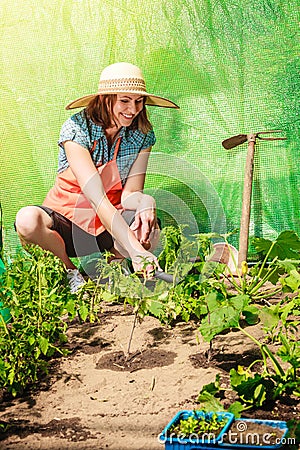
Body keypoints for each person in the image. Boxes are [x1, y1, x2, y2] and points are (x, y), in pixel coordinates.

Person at [15, 62, 179, 293]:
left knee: (149, 229)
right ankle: (71, 272)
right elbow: (96, 198)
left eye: (139, 101)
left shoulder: (142, 134)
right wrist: (136, 251)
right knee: (27, 220)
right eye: (124, 100)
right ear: (105, 99)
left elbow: (130, 193)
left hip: (108, 226)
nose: (133, 110)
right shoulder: (77, 129)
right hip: (67, 223)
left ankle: (113, 271)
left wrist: (146, 202)